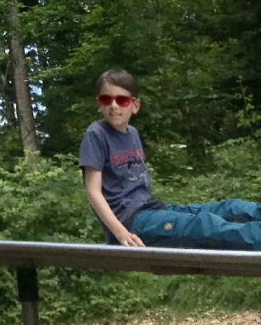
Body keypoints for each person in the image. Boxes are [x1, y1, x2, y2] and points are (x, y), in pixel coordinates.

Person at [79, 68, 261, 250]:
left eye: (122, 100)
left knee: (232, 208)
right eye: (106, 99)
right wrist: (121, 233)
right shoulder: (96, 134)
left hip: (152, 211)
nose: (114, 105)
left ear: (135, 105)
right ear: (99, 103)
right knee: (204, 226)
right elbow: (93, 192)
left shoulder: (132, 133)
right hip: (131, 223)